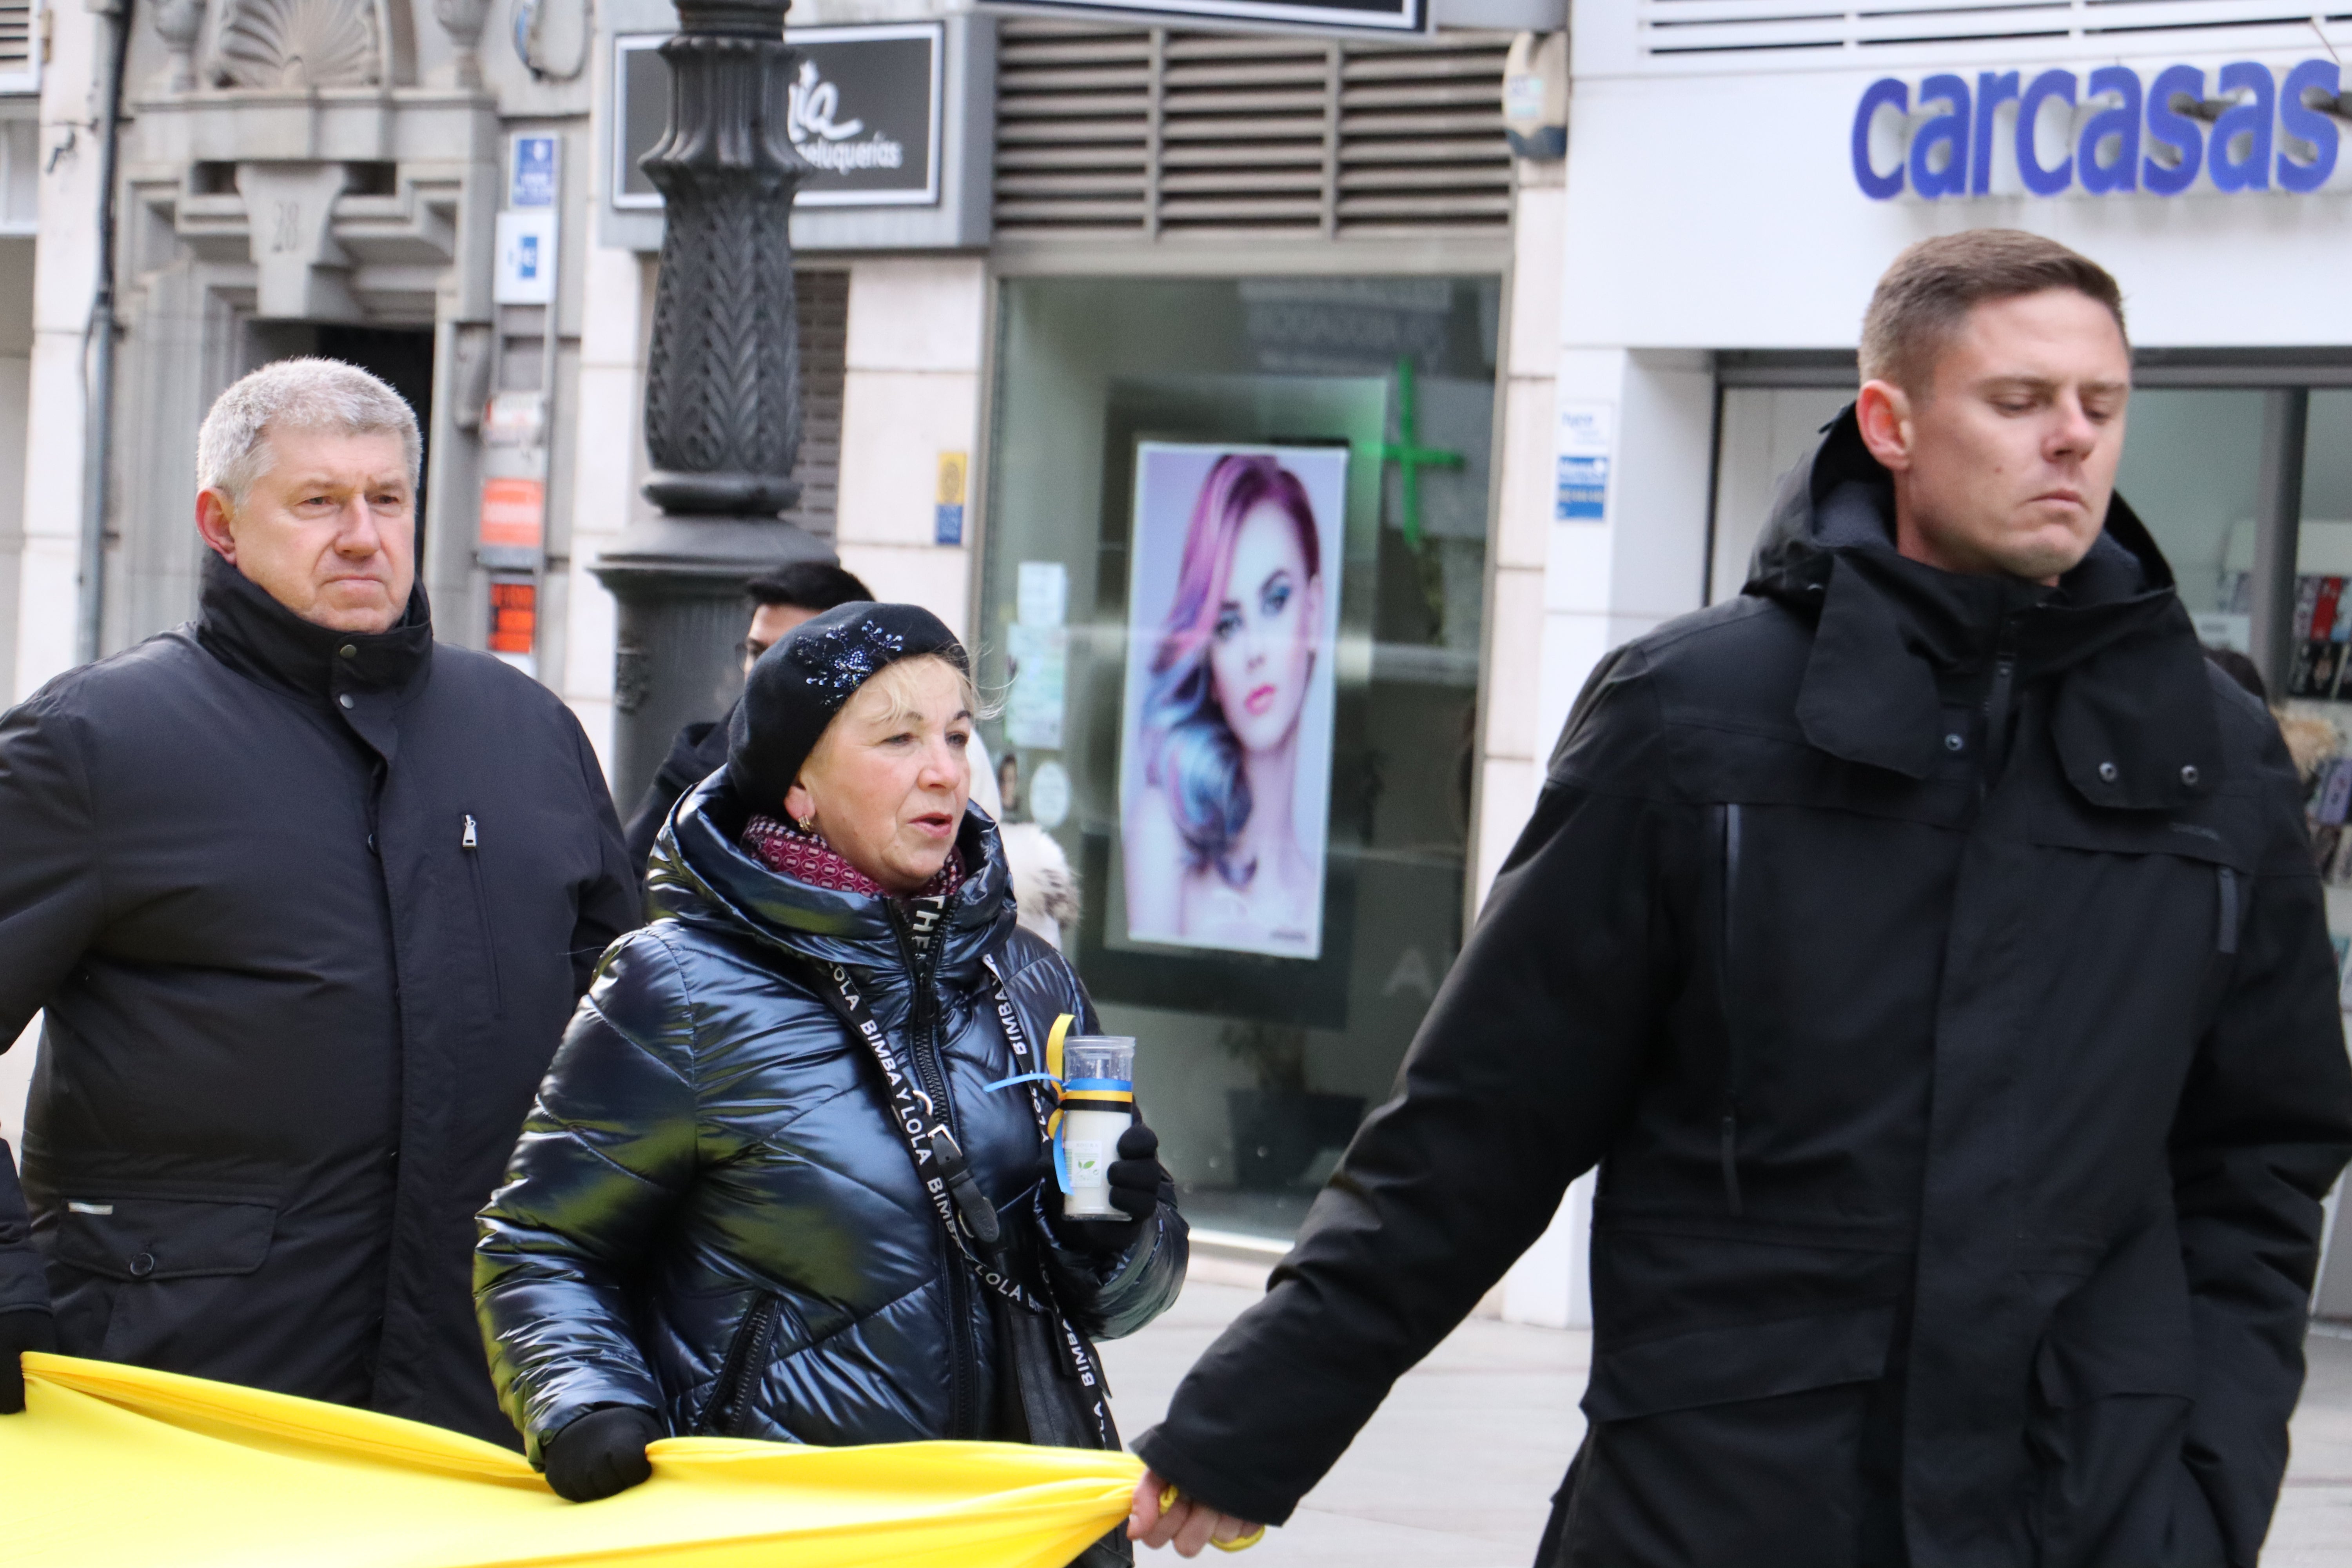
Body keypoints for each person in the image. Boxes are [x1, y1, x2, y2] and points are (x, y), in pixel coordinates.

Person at [1128, 231, 2352, 1566]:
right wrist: (1257, 1420)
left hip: (2088, 1513)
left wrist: (2208, 1489)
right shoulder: (1694, 718)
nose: (2071, 440)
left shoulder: (2210, 755)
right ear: (1890, 420)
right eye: (2018, 402)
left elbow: (2264, 1155)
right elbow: (1485, 1122)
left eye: (2100, 406)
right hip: (1725, 1502)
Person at [0, 359, 639, 1438]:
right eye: (318, 502)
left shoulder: (527, 736)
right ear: (221, 523)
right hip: (182, 1392)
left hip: (477, 1396)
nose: (362, 535)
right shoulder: (94, 745)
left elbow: (634, 1054)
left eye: (387, 500)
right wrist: (11, 1300)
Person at [475, 602, 1187, 1533]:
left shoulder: (1027, 972)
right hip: (780, 1532)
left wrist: (1117, 1234)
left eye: (957, 734)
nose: (943, 769)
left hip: (1008, 1530)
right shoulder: (681, 983)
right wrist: (584, 1403)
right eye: (897, 737)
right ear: (797, 788)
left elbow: (1118, 1300)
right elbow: (539, 1244)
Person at [1124, 455, 1328, 956]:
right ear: (1208, 661)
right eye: (1228, 625)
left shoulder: (1317, 899)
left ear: (1314, 613)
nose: (1256, 650)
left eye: (1276, 600)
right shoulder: (1161, 836)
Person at [620, 560, 875, 875]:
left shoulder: (891, 770)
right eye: (757, 652)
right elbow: (632, 885)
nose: (762, 672)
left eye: (790, 656)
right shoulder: (695, 768)